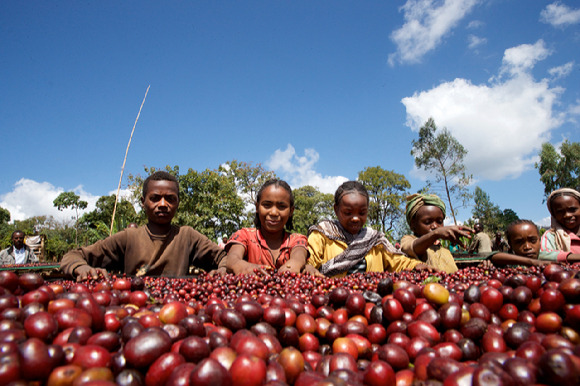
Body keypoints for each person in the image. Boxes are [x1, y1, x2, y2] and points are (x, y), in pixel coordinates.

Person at [60, 171, 227, 280]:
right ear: (143, 202)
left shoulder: (187, 236)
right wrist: (82, 268)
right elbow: (72, 256)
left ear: (178, 203)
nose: (163, 204)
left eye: (170, 199)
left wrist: (223, 269)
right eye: (155, 198)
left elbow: (224, 258)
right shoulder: (129, 237)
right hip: (134, 311)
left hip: (176, 308)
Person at [305, 181, 429, 278]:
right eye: (348, 212)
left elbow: (398, 261)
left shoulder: (375, 241)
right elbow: (309, 260)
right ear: (336, 210)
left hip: (371, 303)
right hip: (331, 301)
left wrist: (416, 265)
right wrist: (308, 267)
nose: (355, 218)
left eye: (362, 213)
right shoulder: (322, 235)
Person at [226, 179, 308, 275]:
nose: (273, 212)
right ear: (257, 207)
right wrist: (241, 266)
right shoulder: (245, 236)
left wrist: (295, 264)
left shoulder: (296, 239)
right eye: (267, 205)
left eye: (281, 207)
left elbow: (299, 256)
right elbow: (232, 259)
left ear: (291, 211)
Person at [400, 193, 471, 273]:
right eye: (427, 222)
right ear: (413, 225)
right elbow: (413, 248)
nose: (435, 226)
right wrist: (436, 233)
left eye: (439, 221)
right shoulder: (408, 240)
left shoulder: (445, 252)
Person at [483, 220, 550, 267]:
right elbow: (494, 256)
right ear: (510, 244)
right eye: (519, 242)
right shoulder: (510, 264)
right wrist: (533, 262)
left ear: (540, 240)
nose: (527, 247)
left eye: (532, 240)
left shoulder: (547, 258)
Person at [540, 187, 580, 263]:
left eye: (572, 209)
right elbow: (543, 254)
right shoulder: (552, 236)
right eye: (560, 212)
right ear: (553, 215)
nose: (567, 215)